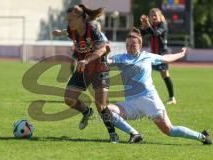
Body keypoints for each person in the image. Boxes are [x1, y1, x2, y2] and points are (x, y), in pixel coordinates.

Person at [106, 27, 212, 145]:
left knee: (169, 130)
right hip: (131, 103)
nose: (130, 48)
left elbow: (166, 58)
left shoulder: (147, 56)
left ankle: (202, 137)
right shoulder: (121, 58)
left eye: (133, 45)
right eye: (128, 45)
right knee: (106, 111)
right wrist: (102, 55)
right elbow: (108, 61)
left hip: (149, 100)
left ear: (140, 45)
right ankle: (134, 134)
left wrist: (181, 54)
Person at [52, 4, 118, 142]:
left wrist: (86, 60)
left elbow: (102, 50)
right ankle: (86, 111)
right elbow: (67, 31)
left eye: (70, 20)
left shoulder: (92, 29)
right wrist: (59, 33)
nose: (68, 23)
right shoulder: (72, 29)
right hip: (83, 68)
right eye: (67, 20)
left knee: (101, 105)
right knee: (69, 99)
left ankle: (113, 134)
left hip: (99, 68)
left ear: (80, 19)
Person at [140, 8, 176, 105]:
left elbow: (155, 34)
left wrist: (147, 25)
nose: (153, 17)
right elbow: (141, 34)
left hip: (162, 55)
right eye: (152, 15)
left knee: (165, 75)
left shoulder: (163, 24)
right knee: (144, 71)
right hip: (154, 54)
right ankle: (144, 96)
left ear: (160, 15)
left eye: (155, 15)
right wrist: (144, 25)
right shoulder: (152, 25)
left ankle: (172, 98)